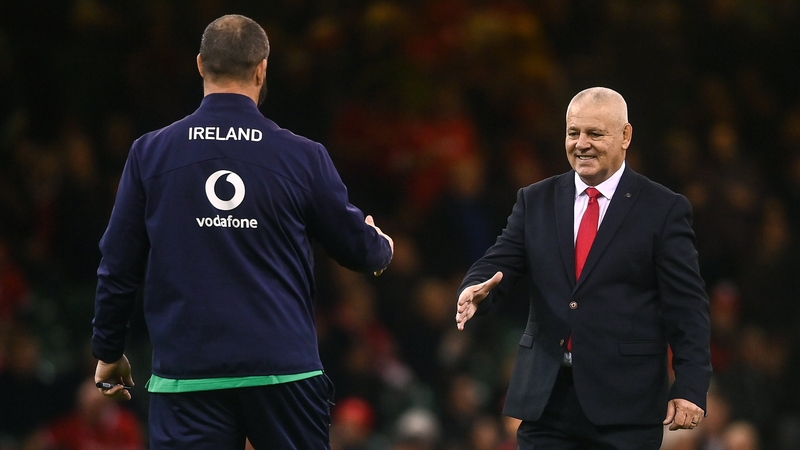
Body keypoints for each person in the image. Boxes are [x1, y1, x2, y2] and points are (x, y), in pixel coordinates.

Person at [91, 14, 393, 450]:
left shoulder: (149, 154)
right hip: (284, 373)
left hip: (187, 376)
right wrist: (380, 247)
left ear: (200, 65)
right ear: (262, 68)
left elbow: (118, 264)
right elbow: (359, 250)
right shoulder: (302, 156)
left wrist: (107, 349)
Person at [455, 87, 711, 449]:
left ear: (625, 136)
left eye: (595, 133)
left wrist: (690, 386)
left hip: (626, 406)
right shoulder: (535, 199)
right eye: (573, 133)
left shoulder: (663, 209)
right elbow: (499, 261)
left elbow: (687, 307)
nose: (581, 144)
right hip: (546, 400)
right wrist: (475, 288)